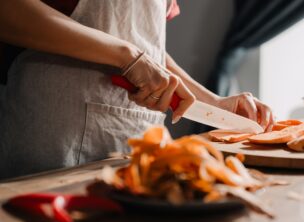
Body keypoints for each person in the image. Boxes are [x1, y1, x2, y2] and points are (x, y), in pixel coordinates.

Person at [0, 0, 273, 179]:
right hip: (54, 135)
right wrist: (126, 55)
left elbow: (144, 46)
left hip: (136, 138)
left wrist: (213, 102)